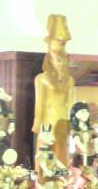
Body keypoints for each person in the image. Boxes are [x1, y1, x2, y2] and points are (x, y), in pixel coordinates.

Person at [32, 14, 74, 167]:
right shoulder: (42, 79)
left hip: (62, 119)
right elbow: (40, 104)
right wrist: (37, 123)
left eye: (63, 60)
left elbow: (70, 104)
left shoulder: (69, 80)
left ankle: (62, 177)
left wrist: (71, 123)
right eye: (57, 59)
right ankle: (43, 176)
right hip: (47, 120)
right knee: (45, 154)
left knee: (62, 153)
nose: (60, 63)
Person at [69, 101, 98, 167]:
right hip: (80, 157)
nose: (85, 114)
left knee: (89, 170)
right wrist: (82, 148)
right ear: (76, 114)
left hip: (90, 156)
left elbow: (95, 140)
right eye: (82, 111)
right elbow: (77, 140)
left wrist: (96, 151)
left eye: (86, 111)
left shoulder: (90, 130)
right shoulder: (76, 130)